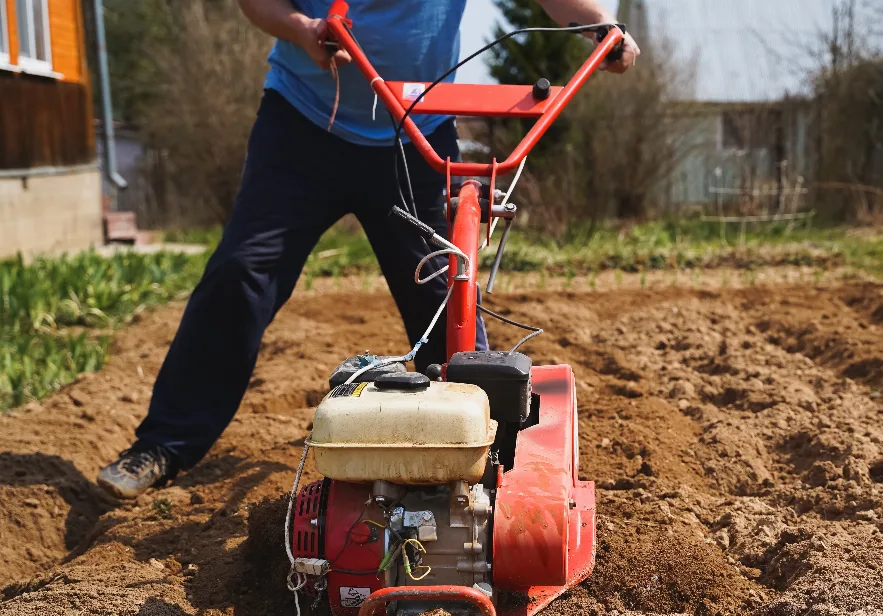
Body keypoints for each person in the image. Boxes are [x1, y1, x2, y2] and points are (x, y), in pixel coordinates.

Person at [96, 0, 639, 499]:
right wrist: (301, 29)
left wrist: (599, 26)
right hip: (304, 122)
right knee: (242, 271)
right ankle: (165, 443)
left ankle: (487, 456)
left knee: (446, 296)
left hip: (417, 129)